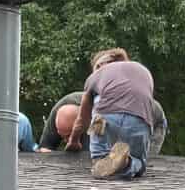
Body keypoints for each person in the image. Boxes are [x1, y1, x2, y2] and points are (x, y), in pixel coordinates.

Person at [66, 48, 157, 179]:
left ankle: (114, 161)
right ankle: (128, 162)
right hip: (140, 120)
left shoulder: (97, 74)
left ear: (100, 65)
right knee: (140, 164)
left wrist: (73, 141)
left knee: (100, 161)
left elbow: (82, 119)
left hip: (104, 118)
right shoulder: (142, 70)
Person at [39, 90, 168, 156]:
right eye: (62, 136)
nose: (66, 141)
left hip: (151, 120)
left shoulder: (104, 114)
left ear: (84, 122)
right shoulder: (59, 110)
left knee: (134, 164)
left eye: (68, 136)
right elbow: (45, 148)